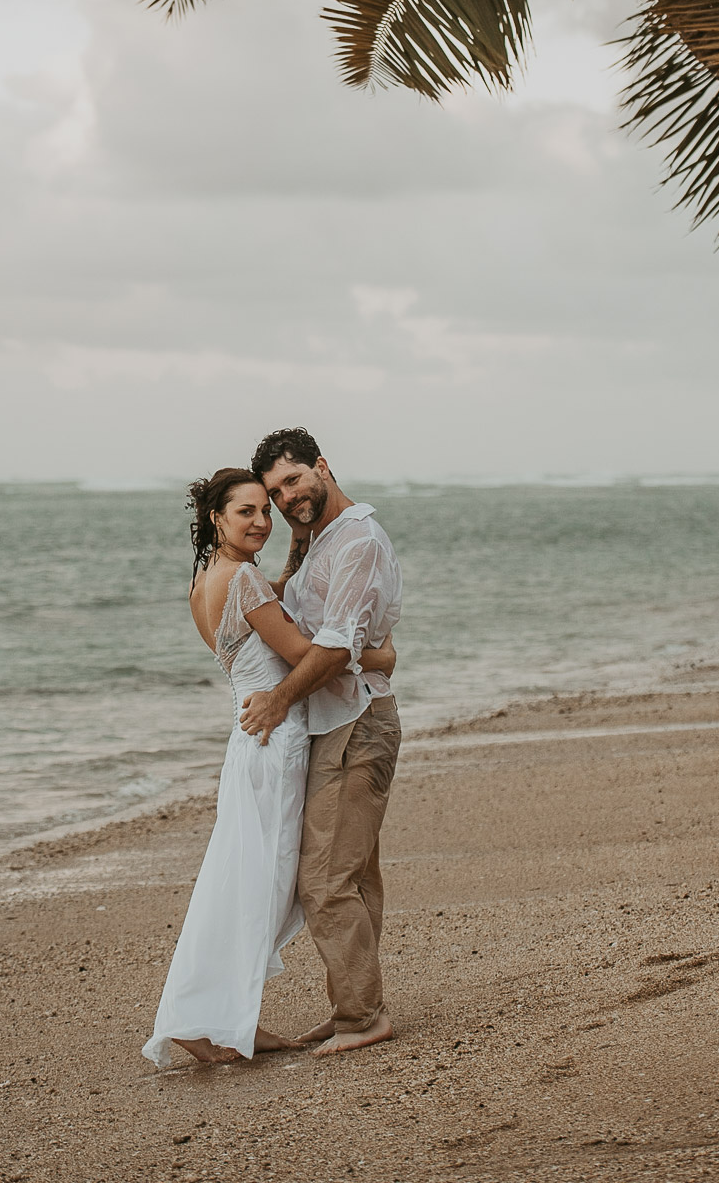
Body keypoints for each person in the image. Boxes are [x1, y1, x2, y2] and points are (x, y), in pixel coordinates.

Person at [142, 467, 396, 1068]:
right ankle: (222, 1017)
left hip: (245, 739)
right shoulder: (246, 582)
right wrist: (382, 652)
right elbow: (309, 656)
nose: (261, 520)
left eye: (266, 510)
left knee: (239, 879)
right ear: (216, 520)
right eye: (247, 512)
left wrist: (290, 558)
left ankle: (213, 1017)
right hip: (276, 741)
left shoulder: (207, 577)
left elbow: (262, 622)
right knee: (265, 882)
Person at [242, 428, 403, 1056]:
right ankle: (354, 1007)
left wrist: (279, 700)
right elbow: (322, 626)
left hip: (356, 725)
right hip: (339, 723)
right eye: (275, 493)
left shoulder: (357, 538)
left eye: (293, 482)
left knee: (324, 879)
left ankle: (363, 1016)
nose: (285, 499)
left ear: (323, 467)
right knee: (353, 874)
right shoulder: (322, 538)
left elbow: (336, 647)